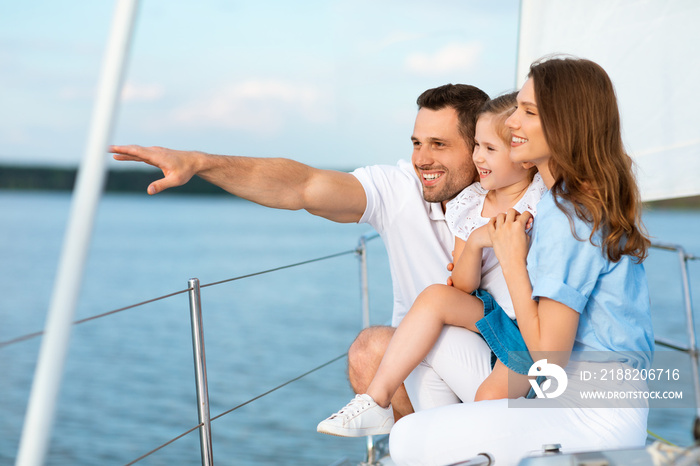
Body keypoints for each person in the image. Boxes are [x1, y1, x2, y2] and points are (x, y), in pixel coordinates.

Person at [111, 84, 494, 420]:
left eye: (439, 145)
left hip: (497, 368)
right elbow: (303, 186)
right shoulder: (400, 190)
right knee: (370, 351)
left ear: (478, 150)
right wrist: (199, 163)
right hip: (424, 366)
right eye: (416, 143)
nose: (422, 159)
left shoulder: (520, 208)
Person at [388, 56, 655, 466]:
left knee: (409, 439)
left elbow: (548, 359)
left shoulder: (573, 214)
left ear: (565, 124)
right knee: (427, 340)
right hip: (576, 394)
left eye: (528, 112)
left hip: (593, 411)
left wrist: (513, 262)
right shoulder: (562, 201)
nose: (512, 122)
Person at [316, 93, 547, 437]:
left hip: (530, 328)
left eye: (490, 149)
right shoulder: (471, 203)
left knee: (487, 397)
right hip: (494, 320)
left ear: (525, 157)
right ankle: (376, 401)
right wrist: (478, 240)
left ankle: (452, 444)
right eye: (477, 147)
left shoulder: (544, 197)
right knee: (435, 297)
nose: (478, 158)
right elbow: (464, 285)